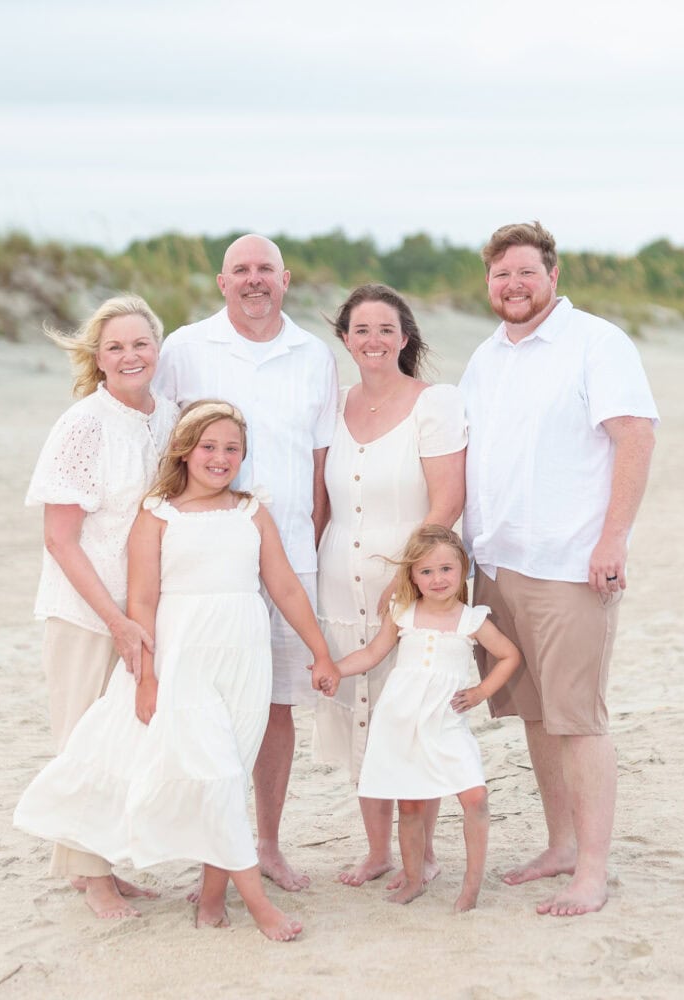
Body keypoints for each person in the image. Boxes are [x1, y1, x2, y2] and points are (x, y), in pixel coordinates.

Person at [14, 401, 336, 941]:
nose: (220, 457)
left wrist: (320, 652)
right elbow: (142, 600)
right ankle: (258, 905)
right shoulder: (157, 514)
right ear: (185, 451)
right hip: (182, 654)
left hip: (243, 651)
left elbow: (282, 584)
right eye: (208, 446)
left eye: (232, 448)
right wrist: (146, 678)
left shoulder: (251, 511)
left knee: (230, 769)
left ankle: (213, 896)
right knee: (211, 766)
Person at [459, 221, 658, 917]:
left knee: (579, 721)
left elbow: (635, 435)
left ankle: (592, 871)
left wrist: (614, 539)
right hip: (498, 565)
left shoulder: (596, 343)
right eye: (500, 275)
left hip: (571, 567)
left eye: (525, 272)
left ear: (552, 275)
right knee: (537, 718)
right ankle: (560, 845)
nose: (512, 285)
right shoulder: (486, 357)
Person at [153, 234, 338, 891]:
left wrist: (309, 547)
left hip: (288, 552)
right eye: (241, 271)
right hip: (203, 561)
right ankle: (208, 844)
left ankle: (266, 844)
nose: (254, 280)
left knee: (275, 705)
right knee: (198, 698)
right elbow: (159, 444)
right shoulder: (184, 347)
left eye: (265, 270)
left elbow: (321, 466)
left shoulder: (312, 355)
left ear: (285, 280)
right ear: (222, 282)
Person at [22, 295, 177, 919]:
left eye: (140, 343)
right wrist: (114, 620)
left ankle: (103, 861)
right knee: (82, 737)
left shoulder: (170, 417)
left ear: (158, 350)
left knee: (124, 740)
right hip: (88, 613)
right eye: (115, 346)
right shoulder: (83, 424)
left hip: (148, 608)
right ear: (97, 357)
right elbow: (59, 538)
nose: (130, 355)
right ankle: (91, 878)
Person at [311, 283, 466, 889]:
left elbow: (449, 497)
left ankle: (420, 855)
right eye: (360, 330)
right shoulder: (335, 404)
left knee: (410, 719)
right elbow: (322, 505)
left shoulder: (435, 404)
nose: (372, 340)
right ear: (345, 338)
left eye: (385, 330)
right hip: (336, 586)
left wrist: (406, 580)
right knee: (360, 721)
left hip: (412, 587)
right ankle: (378, 851)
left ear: (405, 338)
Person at [314, 526, 519, 911]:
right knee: (409, 807)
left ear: (462, 571)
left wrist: (479, 692)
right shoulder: (403, 613)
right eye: (426, 572)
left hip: (446, 722)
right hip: (401, 720)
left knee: (475, 797)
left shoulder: (470, 620)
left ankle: (471, 888)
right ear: (411, 576)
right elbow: (372, 654)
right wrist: (336, 669)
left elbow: (509, 655)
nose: (437, 579)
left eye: (446, 569)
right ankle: (412, 879)